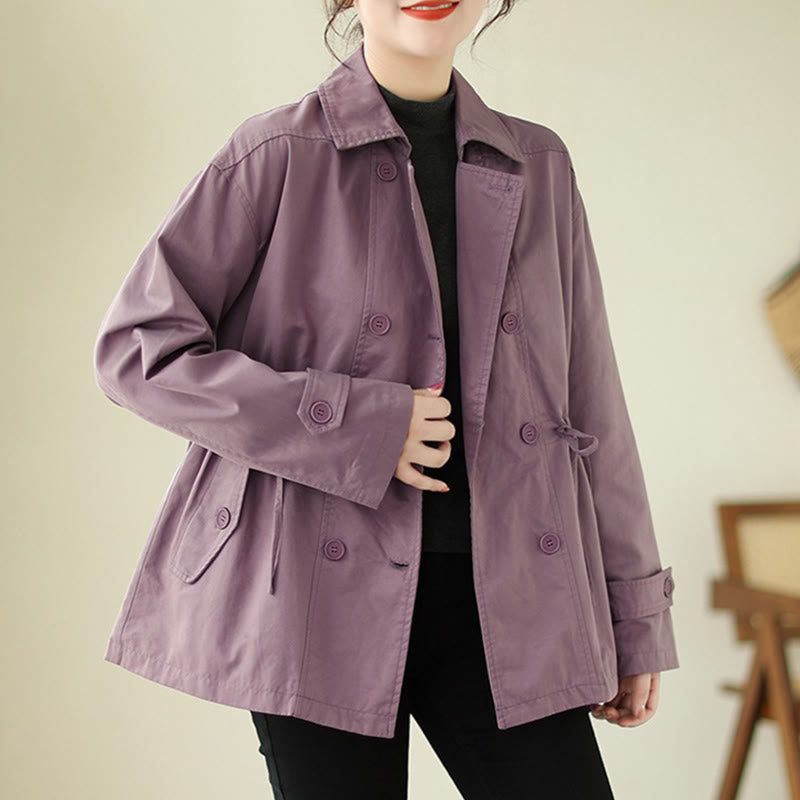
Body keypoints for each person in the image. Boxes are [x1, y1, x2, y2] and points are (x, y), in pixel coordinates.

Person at [95, 0, 679, 797]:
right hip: (315, 604)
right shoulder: (276, 154)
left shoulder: (539, 164)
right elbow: (138, 350)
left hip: (512, 602)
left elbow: (591, 399)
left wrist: (634, 613)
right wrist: (360, 427)